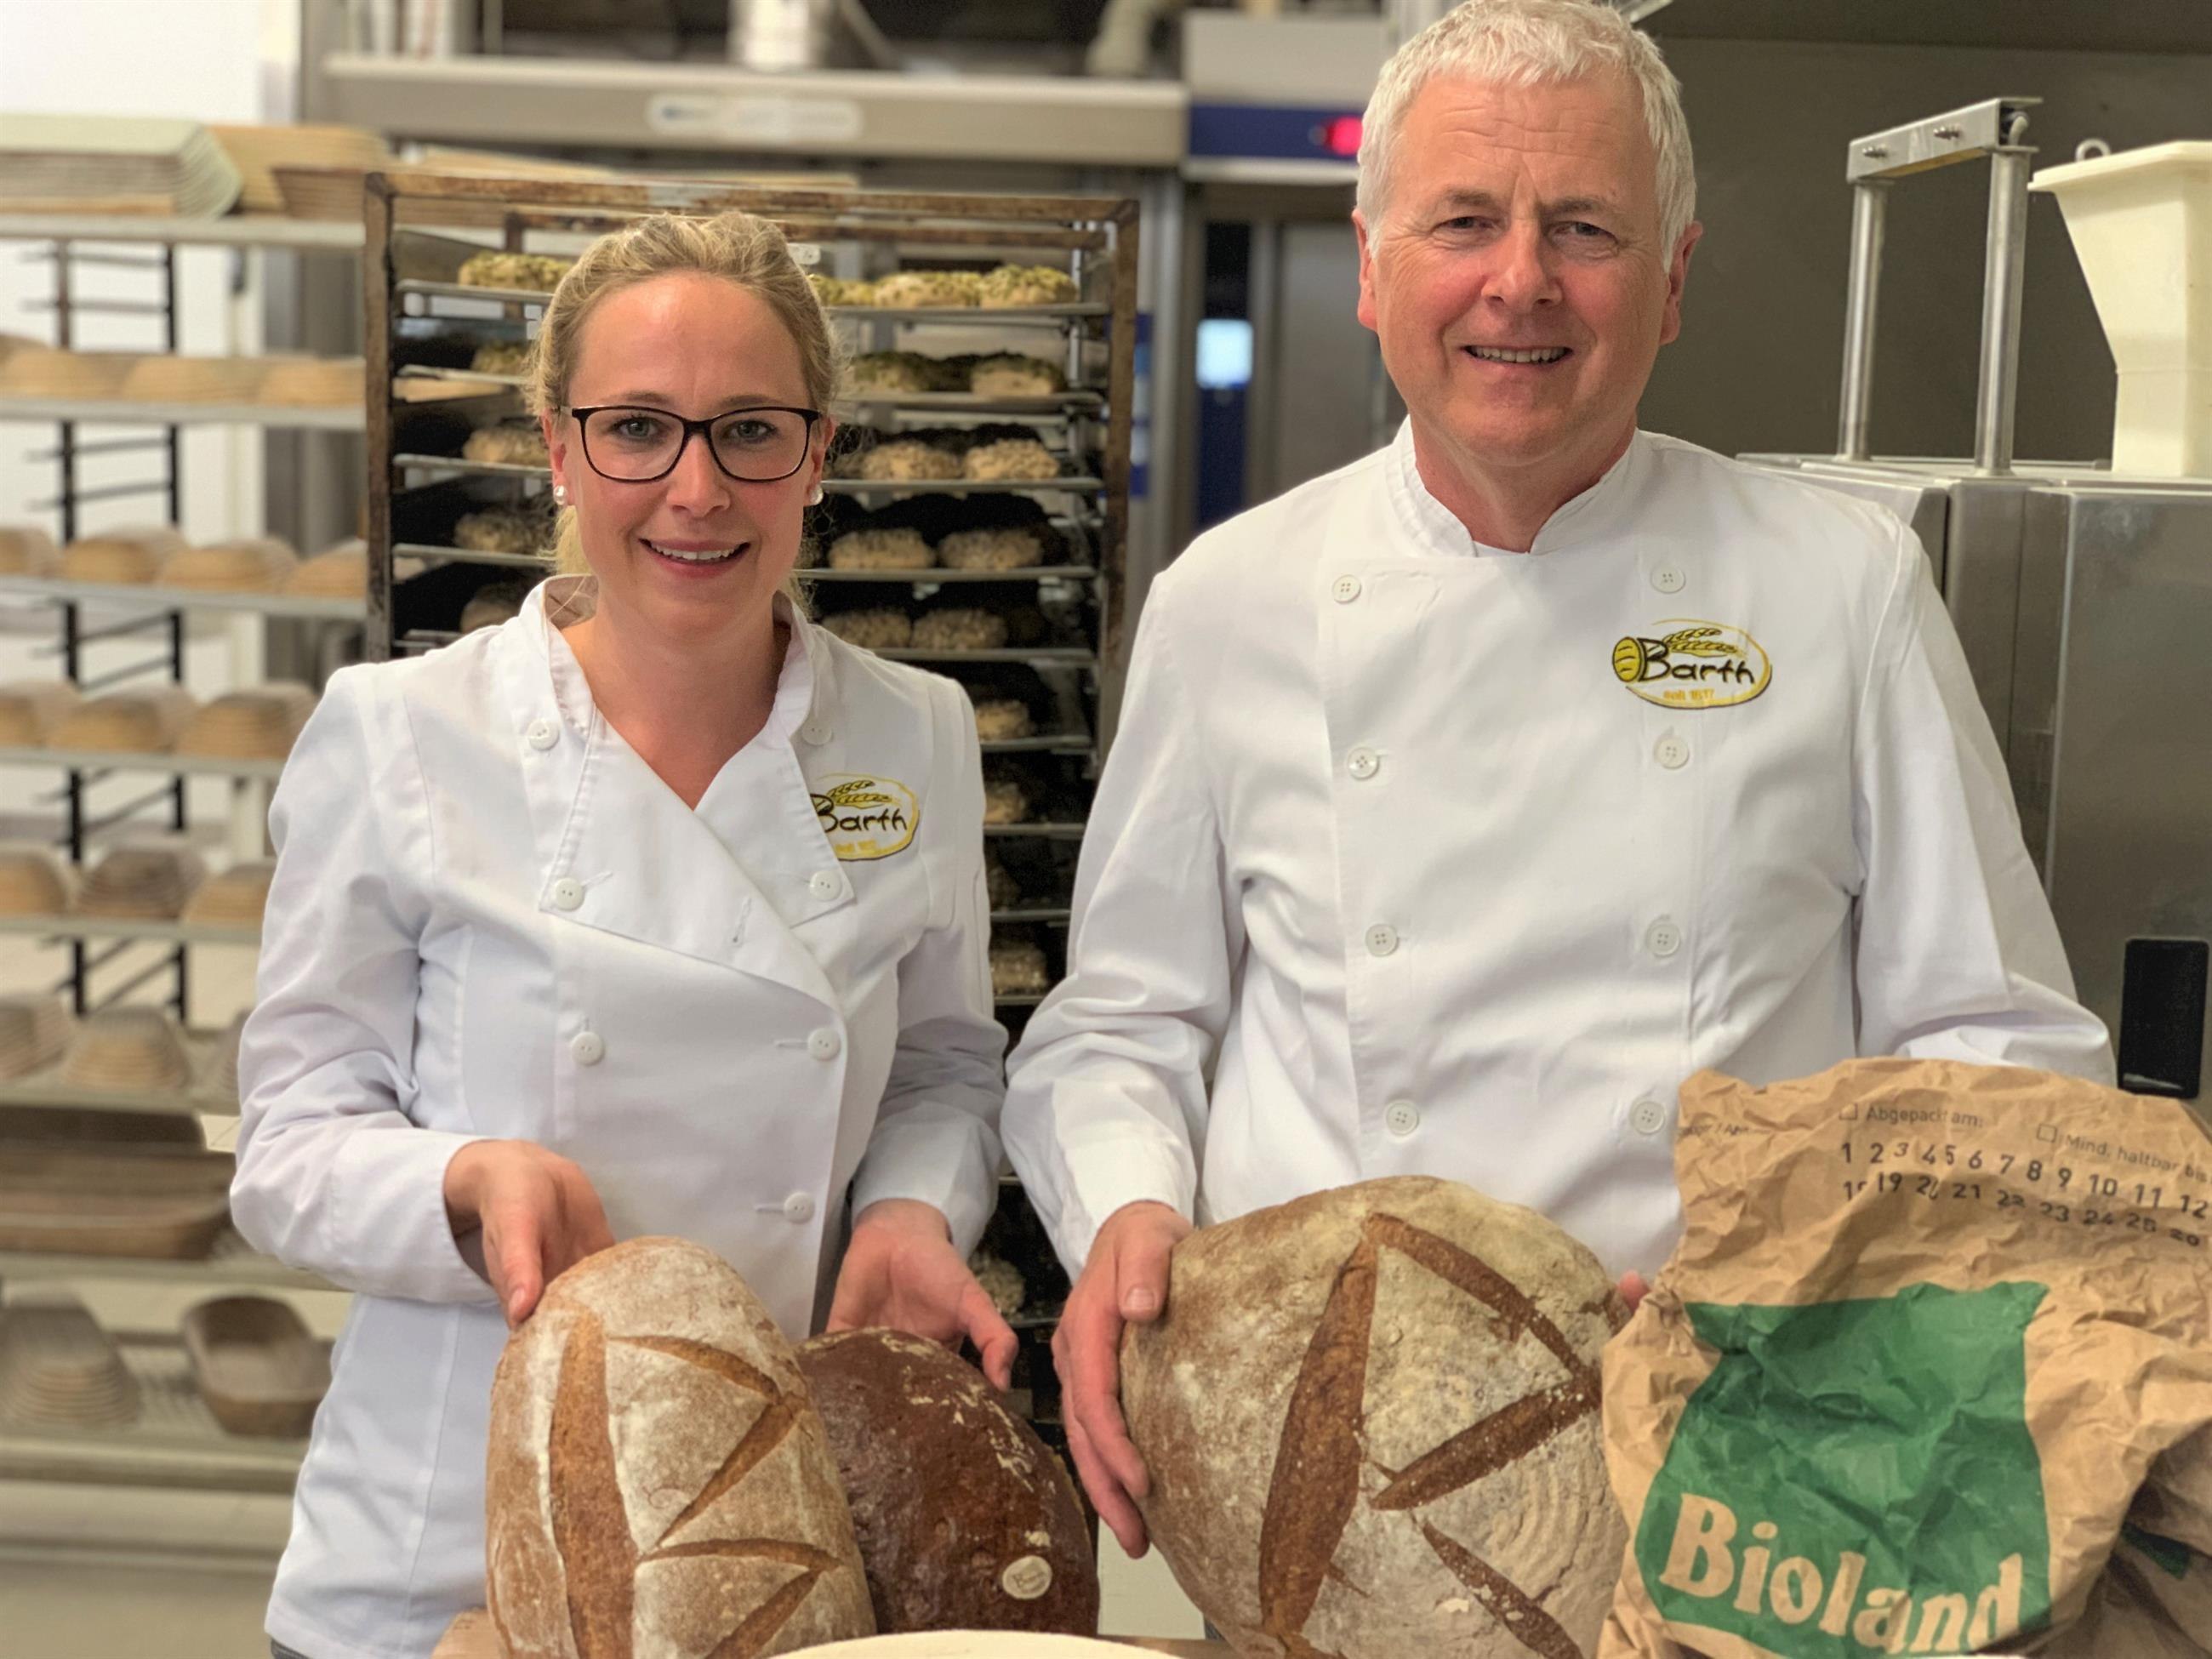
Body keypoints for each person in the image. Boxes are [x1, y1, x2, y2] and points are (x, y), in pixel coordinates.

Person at [1001, 0, 2115, 1560]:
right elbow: (1124, 1022)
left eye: (1584, 228)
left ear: (1673, 281)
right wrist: (1127, 1208)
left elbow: (1995, 1051)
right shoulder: (1230, 602)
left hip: (1732, 1454)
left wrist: (1819, 1292)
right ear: (1373, 264)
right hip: (1310, 1480)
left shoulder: (1842, 586)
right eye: (1464, 221)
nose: (1519, 280)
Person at [232, 210, 1012, 1659]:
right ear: (559, 448)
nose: (696, 490)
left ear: (818, 454)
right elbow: (283, 1150)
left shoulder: (918, 733)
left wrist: (912, 1210)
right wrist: (463, 1181)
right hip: (441, 1537)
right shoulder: (402, 735)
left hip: (760, 1536)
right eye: (638, 429)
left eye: (751, 431)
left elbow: (945, 1068)